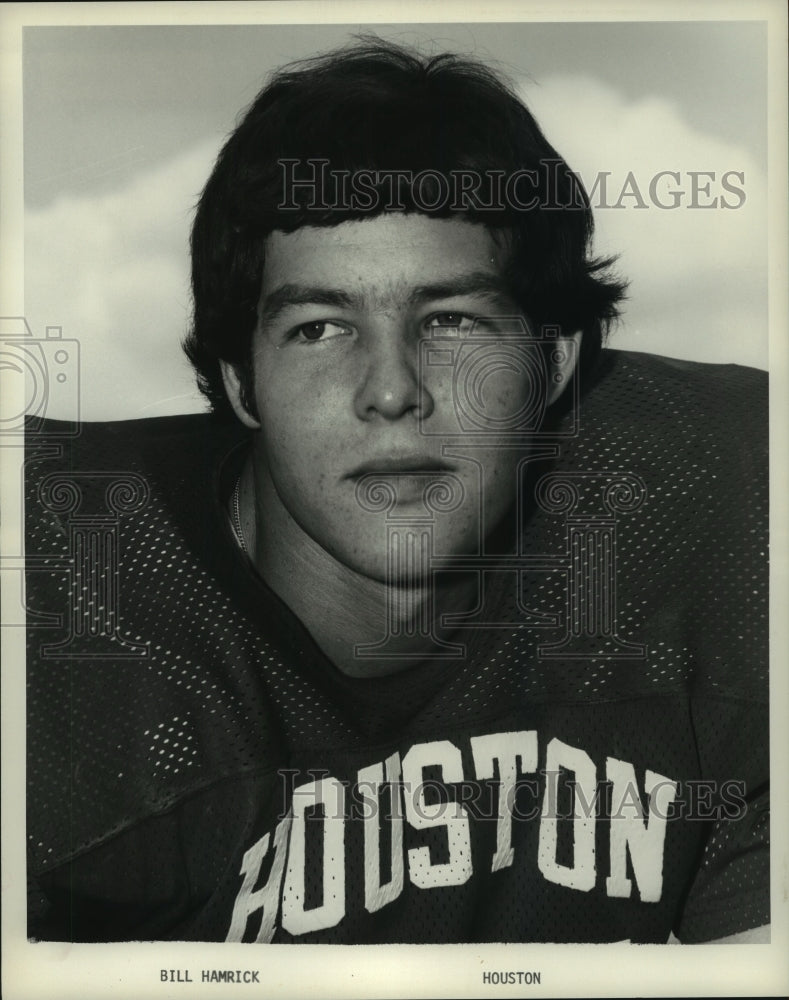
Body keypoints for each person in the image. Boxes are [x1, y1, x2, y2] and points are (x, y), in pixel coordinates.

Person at [25, 39, 768, 944]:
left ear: (554, 358)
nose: (390, 389)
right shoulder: (57, 604)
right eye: (318, 327)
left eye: (450, 319)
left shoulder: (725, 495)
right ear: (238, 383)